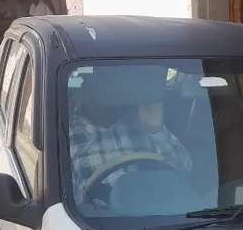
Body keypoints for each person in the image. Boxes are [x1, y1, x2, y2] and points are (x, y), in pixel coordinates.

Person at [69, 66, 191, 206]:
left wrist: (156, 131)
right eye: (102, 84)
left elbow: (185, 169)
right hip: (102, 222)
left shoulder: (143, 120)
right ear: (86, 90)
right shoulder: (67, 133)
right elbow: (69, 202)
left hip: (161, 211)